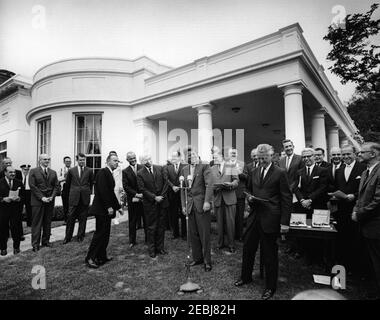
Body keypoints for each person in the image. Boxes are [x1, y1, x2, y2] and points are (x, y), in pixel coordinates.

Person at [234, 144, 292, 300]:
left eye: (264, 157)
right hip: (254, 217)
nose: (261, 160)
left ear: (272, 156)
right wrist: (250, 198)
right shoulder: (253, 171)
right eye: (259, 158)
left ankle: (270, 287)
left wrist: (285, 222)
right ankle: (246, 277)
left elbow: (286, 198)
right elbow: (250, 189)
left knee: (269, 254)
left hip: (271, 218)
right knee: (248, 249)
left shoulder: (280, 173)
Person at [352, 142, 380, 298]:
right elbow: (361, 196)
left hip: (375, 224)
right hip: (365, 224)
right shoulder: (365, 172)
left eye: (362, 152)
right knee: (371, 259)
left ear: (373, 154)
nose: (359, 154)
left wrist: (360, 213)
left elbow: (378, 200)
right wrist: (356, 209)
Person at [333, 145, 366, 273]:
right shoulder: (339, 170)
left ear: (355, 154)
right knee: (343, 237)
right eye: (343, 154)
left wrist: (355, 196)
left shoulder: (362, 168)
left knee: (356, 238)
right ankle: (344, 265)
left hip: (356, 208)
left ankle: (356, 266)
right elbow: (337, 187)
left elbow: (366, 190)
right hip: (341, 209)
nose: (346, 157)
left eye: (348, 154)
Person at [85, 154, 122, 268]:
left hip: (105, 210)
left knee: (105, 234)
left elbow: (110, 193)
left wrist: (118, 207)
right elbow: (102, 191)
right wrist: (109, 207)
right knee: (99, 234)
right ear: (108, 161)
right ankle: (90, 258)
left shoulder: (109, 173)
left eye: (117, 161)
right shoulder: (102, 172)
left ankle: (101, 256)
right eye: (115, 161)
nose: (117, 163)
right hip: (101, 210)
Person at [180, 150, 213, 271]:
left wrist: (207, 201)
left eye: (193, 155)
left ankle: (207, 261)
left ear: (198, 156)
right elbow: (183, 189)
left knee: (204, 234)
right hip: (190, 206)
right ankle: (197, 258)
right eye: (189, 156)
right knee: (193, 234)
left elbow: (209, 185)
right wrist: (183, 205)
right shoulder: (184, 169)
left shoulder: (204, 166)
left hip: (201, 204)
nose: (192, 157)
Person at [137, 155, 169, 258]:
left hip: (162, 202)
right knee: (151, 227)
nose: (149, 161)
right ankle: (152, 250)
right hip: (150, 204)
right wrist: (155, 197)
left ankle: (160, 248)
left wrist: (162, 196)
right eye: (146, 160)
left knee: (161, 226)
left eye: (150, 159)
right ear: (142, 162)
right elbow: (142, 189)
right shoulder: (140, 173)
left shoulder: (159, 168)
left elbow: (166, 182)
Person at [29, 154, 60, 252]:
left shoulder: (53, 172)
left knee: (47, 222)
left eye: (48, 159)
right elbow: (33, 186)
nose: (47, 161)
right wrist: (42, 197)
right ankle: (35, 244)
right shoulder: (33, 171)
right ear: (40, 160)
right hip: (38, 201)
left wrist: (52, 196)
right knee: (37, 223)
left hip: (50, 201)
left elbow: (56, 186)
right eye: (45, 159)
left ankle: (46, 241)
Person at [210, 152, 239, 253]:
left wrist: (230, 184)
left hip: (229, 198)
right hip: (218, 198)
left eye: (216, 157)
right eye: (213, 158)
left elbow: (236, 181)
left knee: (230, 223)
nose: (214, 159)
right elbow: (209, 183)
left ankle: (231, 245)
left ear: (222, 157)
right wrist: (213, 187)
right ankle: (220, 243)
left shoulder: (231, 165)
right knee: (219, 223)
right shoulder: (211, 168)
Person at [63, 153, 94, 243]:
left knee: (83, 218)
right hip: (74, 198)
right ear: (77, 160)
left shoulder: (89, 170)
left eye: (83, 160)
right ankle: (67, 237)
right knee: (70, 218)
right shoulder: (72, 171)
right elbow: (68, 185)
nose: (82, 161)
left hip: (84, 197)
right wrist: (72, 194)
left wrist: (86, 192)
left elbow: (91, 183)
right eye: (80, 160)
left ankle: (80, 236)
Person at [293, 148, 329, 217]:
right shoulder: (299, 172)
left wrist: (310, 200)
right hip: (302, 206)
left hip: (317, 205)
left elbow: (322, 188)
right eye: (304, 157)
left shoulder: (322, 171)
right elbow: (296, 188)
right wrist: (302, 200)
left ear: (314, 156)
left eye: (309, 156)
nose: (306, 158)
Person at [122, 151, 145, 248]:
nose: (133, 160)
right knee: (132, 221)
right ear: (127, 160)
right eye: (131, 158)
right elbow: (126, 186)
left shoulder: (142, 167)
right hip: (133, 199)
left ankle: (148, 239)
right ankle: (132, 241)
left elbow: (147, 182)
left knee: (146, 220)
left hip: (144, 199)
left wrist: (143, 194)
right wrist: (136, 194)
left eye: (134, 157)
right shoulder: (125, 171)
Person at [0, 166, 25, 256]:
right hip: (3, 211)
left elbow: (24, 196)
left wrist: (19, 198)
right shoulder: (0, 182)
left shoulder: (18, 182)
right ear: (5, 173)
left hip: (15, 210)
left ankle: (16, 248)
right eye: (10, 172)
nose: (13, 174)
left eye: (14, 172)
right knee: (3, 229)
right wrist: (3, 199)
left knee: (16, 229)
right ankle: (3, 248)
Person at [164, 151, 187, 239]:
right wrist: (173, 186)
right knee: (173, 214)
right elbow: (166, 179)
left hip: (182, 193)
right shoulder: (168, 167)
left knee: (183, 213)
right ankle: (175, 233)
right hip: (172, 194)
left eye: (175, 156)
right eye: (172, 156)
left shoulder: (184, 166)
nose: (173, 158)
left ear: (179, 157)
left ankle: (184, 234)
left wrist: (180, 187)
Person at [227, 148, 248, 242]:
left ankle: (239, 235)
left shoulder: (242, 163)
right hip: (228, 192)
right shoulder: (225, 164)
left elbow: (247, 177)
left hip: (239, 193)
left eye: (235, 153)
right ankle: (229, 234)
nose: (233, 154)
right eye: (231, 153)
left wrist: (239, 172)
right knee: (230, 215)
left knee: (239, 215)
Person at [108, 151, 123, 225]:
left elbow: (120, 178)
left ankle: (116, 218)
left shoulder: (119, 168)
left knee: (117, 202)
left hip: (117, 187)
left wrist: (121, 186)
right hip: (110, 187)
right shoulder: (107, 167)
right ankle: (110, 217)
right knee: (109, 202)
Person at [58, 156, 72, 223]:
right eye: (66, 161)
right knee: (65, 205)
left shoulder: (73, 169)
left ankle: (72, 219)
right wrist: (65, 178)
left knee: (72, 205)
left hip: (72, 189)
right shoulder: (61, 170)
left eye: (69, 161)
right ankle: (66, 220)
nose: (68, 163)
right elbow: (58, 179)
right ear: (64, 162)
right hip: (64, 188)